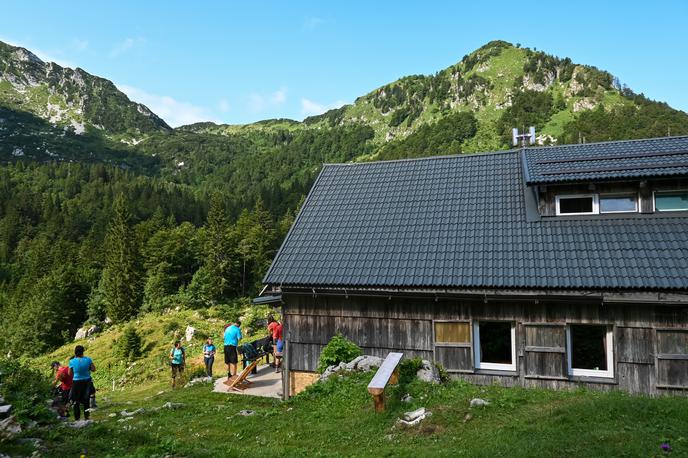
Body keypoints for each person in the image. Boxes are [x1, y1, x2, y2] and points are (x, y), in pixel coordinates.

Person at [68, 345, 95, 421]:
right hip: (87, 381)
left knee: (76, 401)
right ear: (83, 351)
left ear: (75, 352)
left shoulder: (72, 361)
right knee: (86, 400)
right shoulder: (88, 359)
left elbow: (69, 374)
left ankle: (77, 419)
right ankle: (87, 417)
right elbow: (93, 369)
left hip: (76, 382)